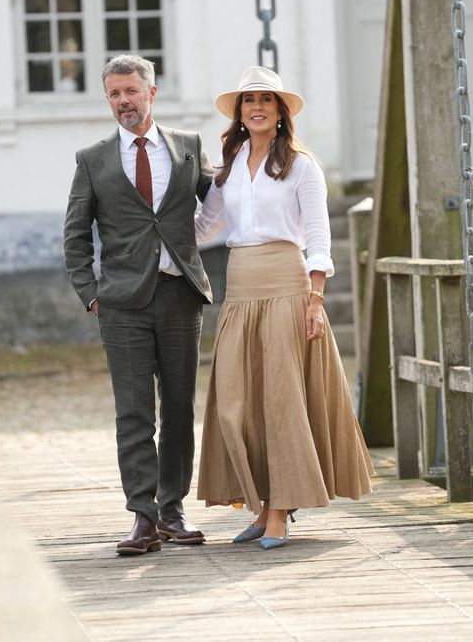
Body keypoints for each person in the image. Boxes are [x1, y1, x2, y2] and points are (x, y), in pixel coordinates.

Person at [195, 66, 374, 550]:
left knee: (279, 401)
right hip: (240, 288)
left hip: (287, 284)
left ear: (279, 113)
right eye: (248, 100)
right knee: (238, 402)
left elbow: (318, 235)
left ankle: (277, 511)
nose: (255, 107)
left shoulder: (300, 165)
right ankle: (259, 504)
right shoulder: (227, 165)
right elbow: (202, 226)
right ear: (239, 112)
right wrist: (146, 233)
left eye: (265, 100)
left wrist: (316, 299)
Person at [63, 54, 213, 556]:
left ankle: (173, 510)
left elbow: (227, 201)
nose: (123, 101)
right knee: (133, 414)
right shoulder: (92, 159)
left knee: (178, 408)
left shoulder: (189, 148)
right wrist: (90, 296)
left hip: (179, 298)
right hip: (122, 306)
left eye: (130, 91)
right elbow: (75, 237)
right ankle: (143, 518)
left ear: (152, 92)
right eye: (113, 94)